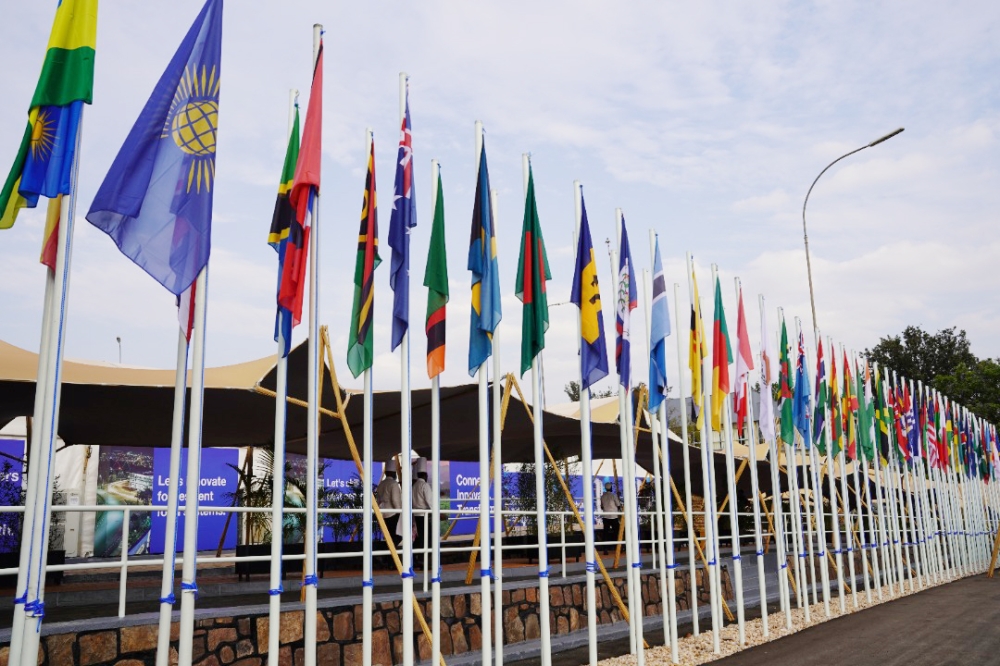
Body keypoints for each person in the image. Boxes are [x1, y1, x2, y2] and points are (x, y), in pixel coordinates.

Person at [411, 457, 435, 564]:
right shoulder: (425, 485)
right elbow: (430, 501)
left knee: (419, 537)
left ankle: (417, 558)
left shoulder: (414, 486)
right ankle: (424, 560)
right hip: (424, 515)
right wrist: (437, 513)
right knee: (427, 538)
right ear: (426, 475)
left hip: (416, 515)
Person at [375, 459, 402, 546]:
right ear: (393, 473)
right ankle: (390, 551)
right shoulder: (393, 484)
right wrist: (399, 511)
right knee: (395, 536)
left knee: (388, 536)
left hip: (384, 513)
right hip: (393, 513)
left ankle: (387, 551)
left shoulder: (381, 484)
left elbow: (378, 500)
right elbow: (395, 500)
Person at [600, 480, 622, 555]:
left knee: (605, 533)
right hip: (614, 516)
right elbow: (618, 505)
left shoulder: (602, 496)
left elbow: (602, 507)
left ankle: (605, 549)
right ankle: (618, 547)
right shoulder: (613, 495)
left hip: (605, 516)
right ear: (611, 488)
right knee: (616, 532)